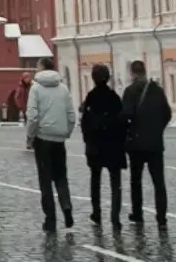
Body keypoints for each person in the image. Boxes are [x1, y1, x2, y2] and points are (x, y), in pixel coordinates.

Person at [25, 57, 76, 232]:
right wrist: (66, 132)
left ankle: (50, 220)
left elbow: (32, 116)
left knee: (45, 181)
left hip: (42, 139)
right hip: (59, 140)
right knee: (61, 177)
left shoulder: (36, 88)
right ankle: (67, 206)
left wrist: (30, 136)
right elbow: (71, 115)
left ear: (42, 68)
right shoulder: (63, 88)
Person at [121, 59, 171, 229]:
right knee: (159, 182)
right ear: (145, 71)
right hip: (155, 144)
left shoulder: (130, 91)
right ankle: (162, 217)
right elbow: (167, 113)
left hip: (136, 144)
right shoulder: (157, 90)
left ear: (132, 74)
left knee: (136, 180)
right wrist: (157, 130)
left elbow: (125, 115)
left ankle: (137, 214)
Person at [80, 63, 127, 229]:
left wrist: (88, 141)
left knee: (95, 180)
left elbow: (84, 123)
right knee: (115, 183)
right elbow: (122, 122)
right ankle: (115, 216)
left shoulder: (90, 97)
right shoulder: (114, 97)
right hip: (113, 146)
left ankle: (97, 213)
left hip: (96, 146)